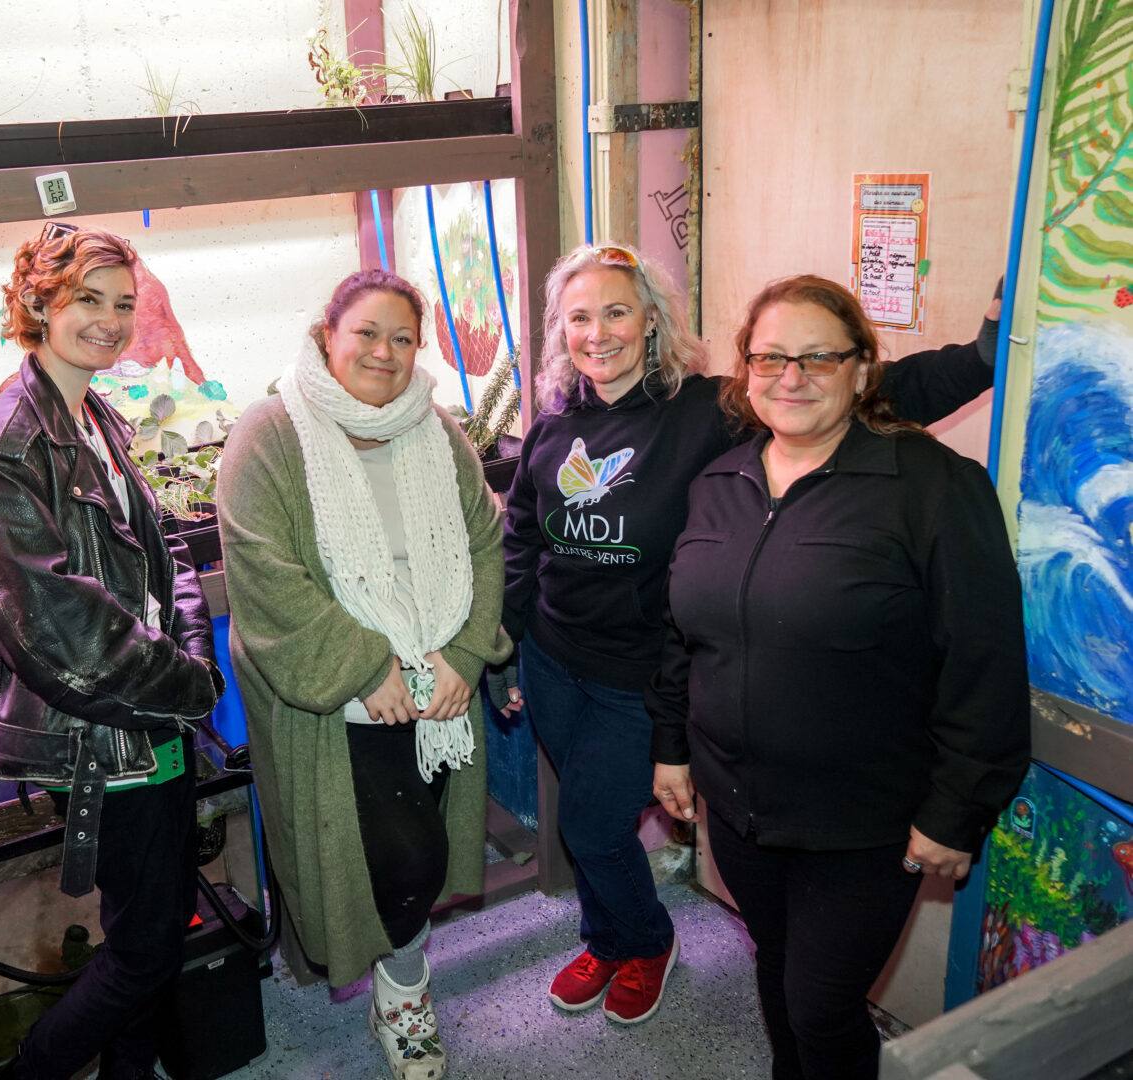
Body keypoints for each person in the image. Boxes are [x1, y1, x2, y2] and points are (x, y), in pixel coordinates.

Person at [502, 244, 1000, 1026]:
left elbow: (844, 386)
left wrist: (977, 360)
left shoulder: (709, 406)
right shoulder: (556, 424)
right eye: (579, 317)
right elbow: (523, 538)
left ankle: (644, 938)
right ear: (560, 332)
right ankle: (607, 934)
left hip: (643, 674)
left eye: (618, 311)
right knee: (590, 823)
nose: (598, 333)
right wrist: (508, 645)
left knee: (590, 826)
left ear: (653, 323)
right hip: (557, 660)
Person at [648, 274, 1029, 1079]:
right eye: (771, 357)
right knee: (778, 973)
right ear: (745, 373)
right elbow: (685, 635)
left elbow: (985, 661)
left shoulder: (929, 485)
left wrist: (957, 811)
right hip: (741, 808)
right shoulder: (720, 484)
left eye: (819, 358)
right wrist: (672, 747)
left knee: (821, 1007)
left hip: (865, 820)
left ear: (863, 370)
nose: (792, 377)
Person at [0, 222, 223, 1080]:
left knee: (151, 925)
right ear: (37, 303)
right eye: (86, 301)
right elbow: (61, 632)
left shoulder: (91, 413)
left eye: (123, 305)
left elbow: (161, 549)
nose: (109, 321)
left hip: (152, 708)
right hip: (109, 728)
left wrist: (189, 651)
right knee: (144, 951)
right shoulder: (10, 449)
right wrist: (188, 683)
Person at [217, 269, 512, 1080]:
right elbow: (263, 572)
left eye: (403, 338)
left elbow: (486, 540)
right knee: (399, 859)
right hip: (341, 701)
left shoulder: (438, 429)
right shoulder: (271, 433)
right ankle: (406, 993)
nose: (384, 353)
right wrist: (362, 665)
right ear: (327, 337)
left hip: (439, 689)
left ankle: (401, 979)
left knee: (424, 846)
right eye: (367, 334)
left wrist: (462, 654)